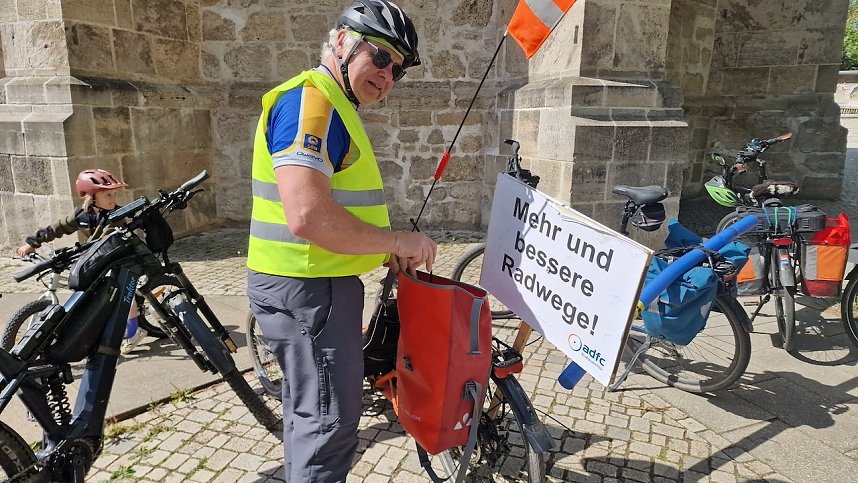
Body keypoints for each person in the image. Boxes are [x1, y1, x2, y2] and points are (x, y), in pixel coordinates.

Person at [246, 0, 436, 480]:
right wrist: (397, 240)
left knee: (307, 411)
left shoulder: (332, 104)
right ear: (340, 42)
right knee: (328, 424)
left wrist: (385, 249)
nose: (388, 73)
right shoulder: (314, 102)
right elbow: (307, 215)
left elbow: (333, 210)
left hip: (311, 286)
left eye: (399, 68)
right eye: (379, 55)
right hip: (308, 290)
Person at [16, 168, 149, 354]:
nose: (113, 199)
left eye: (114, 194)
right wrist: (33, 243)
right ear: (91, 197)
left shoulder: (116, 216)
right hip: (99, 257)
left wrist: (84, 251)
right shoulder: (82, 215)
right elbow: (58, 227)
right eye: (107, 195)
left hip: (122, 256)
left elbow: (102, 239)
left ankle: (134, 332)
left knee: (124, 292)